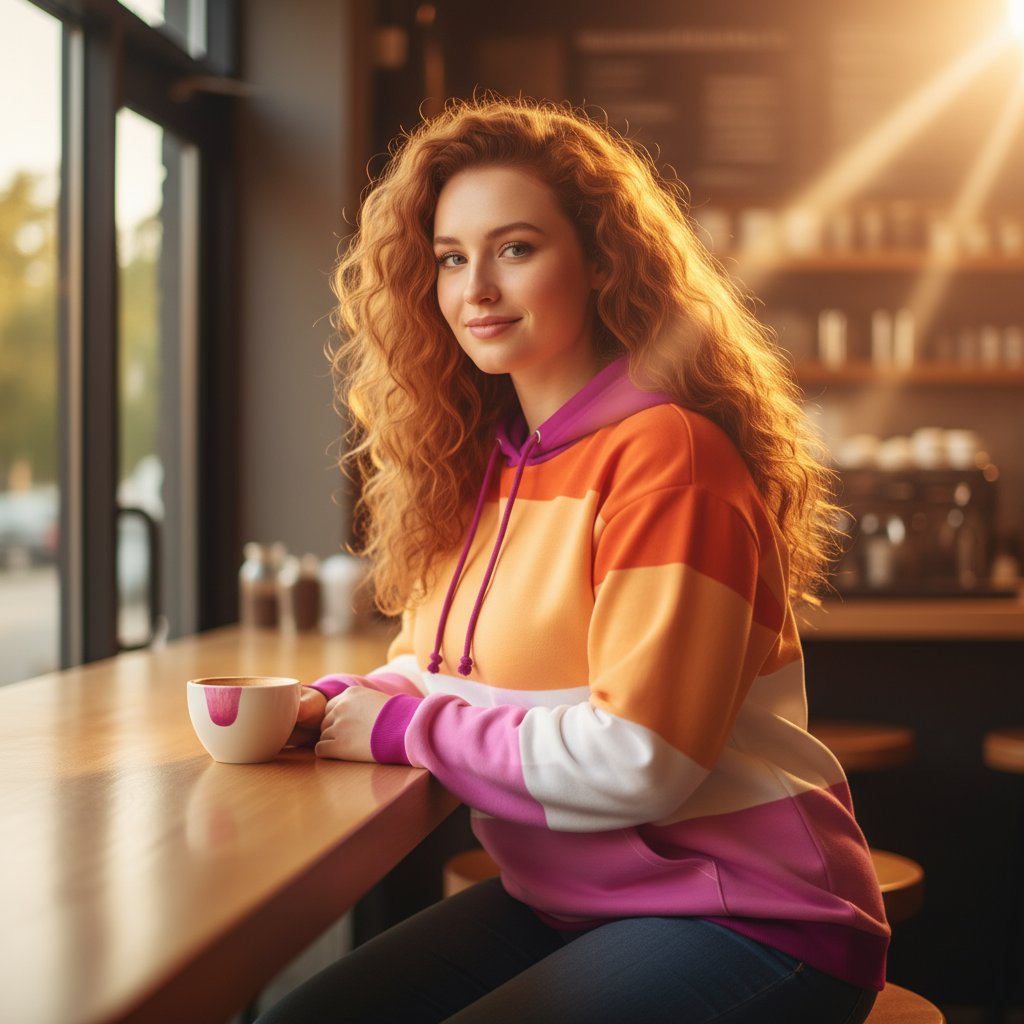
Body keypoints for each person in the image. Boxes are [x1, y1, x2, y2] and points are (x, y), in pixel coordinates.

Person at [260, 98, 888, 1024]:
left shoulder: (669, 457)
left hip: (749, 913)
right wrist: (343, 703)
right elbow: (436, 672)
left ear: (601, 262)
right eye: (450, 257)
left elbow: (642, 761)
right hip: (569, 904)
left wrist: (400, 730)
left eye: (514, 249)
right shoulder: (480, 466)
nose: (476, 288)